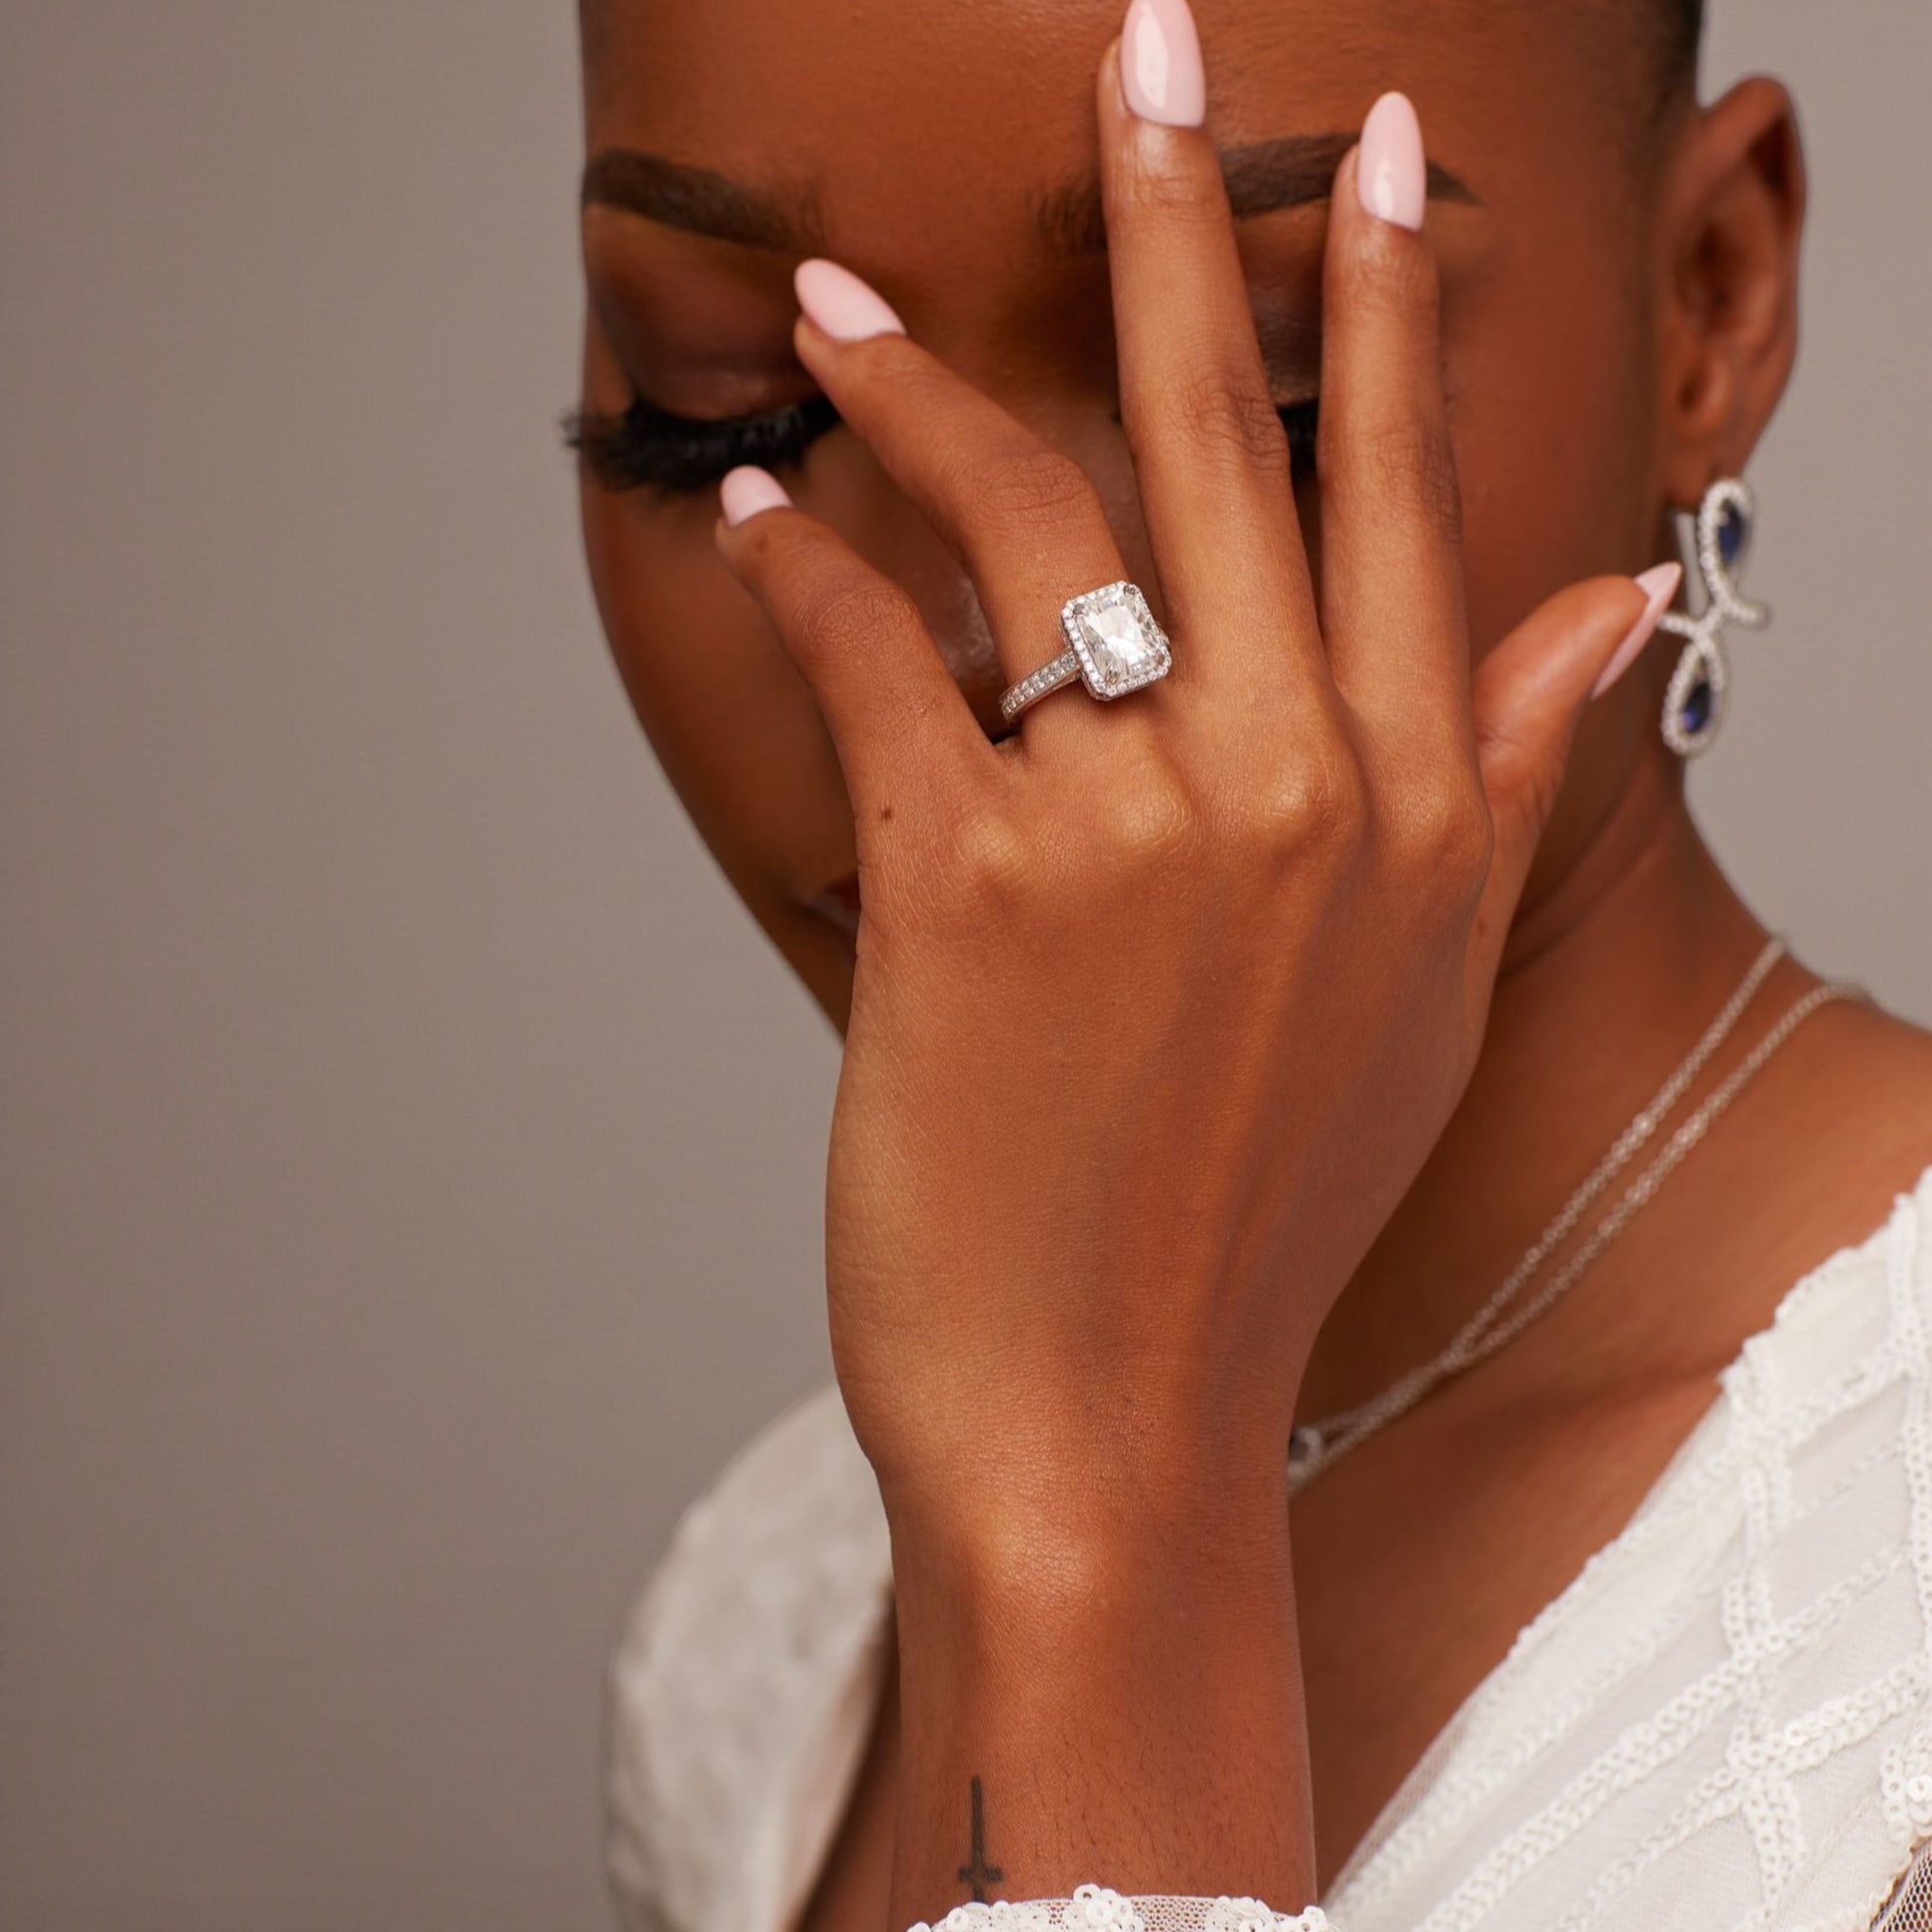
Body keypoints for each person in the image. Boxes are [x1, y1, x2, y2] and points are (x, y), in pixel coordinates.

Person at [566, 0, 1932, 1927]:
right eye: (723, 414)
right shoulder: (774, 1618)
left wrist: (1087, 1527)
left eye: (1263, 386)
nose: (980, 642)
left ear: (1702, 298)